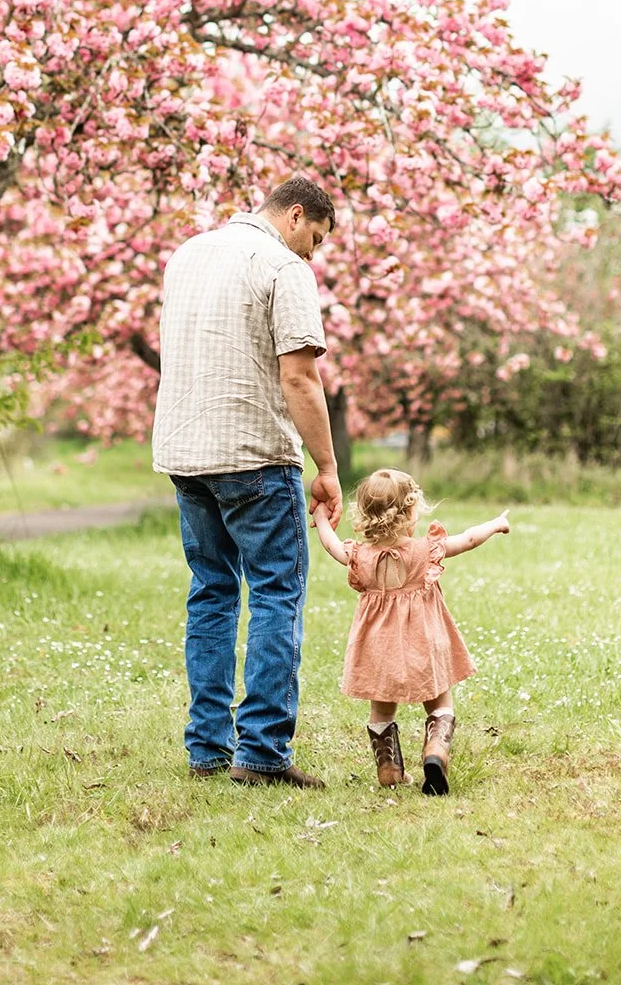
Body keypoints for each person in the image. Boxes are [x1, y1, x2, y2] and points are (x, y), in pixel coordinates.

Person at [152, 176, 342, 790]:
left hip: (186, 451)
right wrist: (329, 468)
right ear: (294, 217)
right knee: (276, 593)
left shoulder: (187, 254)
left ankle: (207, 750)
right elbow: (300, 379)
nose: (312, 252)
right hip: (254, 454)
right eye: (313, 238)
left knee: (211, 592)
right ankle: (261, 753)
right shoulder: (282, 267)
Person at [312, 469, 510, 795]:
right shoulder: (426, 549)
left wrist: (321, 518)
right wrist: (496, 523)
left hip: (378, 648)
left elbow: (332, 545)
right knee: (439, 701)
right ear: (408, 513)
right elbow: (469, 539)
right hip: (424, 643)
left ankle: (389, 769)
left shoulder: (360, 555)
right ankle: (435, 752)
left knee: (381, 709)